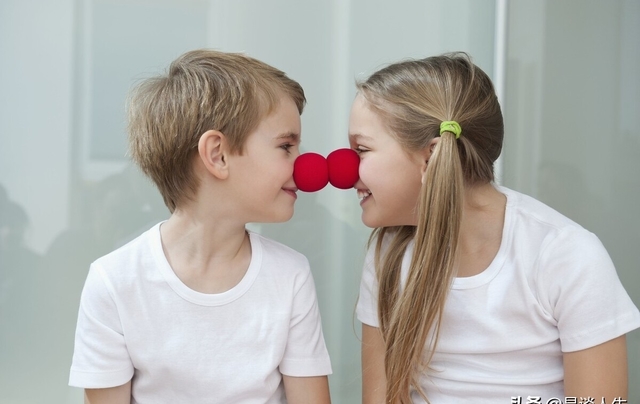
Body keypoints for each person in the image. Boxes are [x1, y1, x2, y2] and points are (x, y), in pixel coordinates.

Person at [350, 53, 640, 404]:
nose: (346, 169)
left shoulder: (566, 254)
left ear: (430, 155)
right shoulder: (389, 253)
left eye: (361, 149)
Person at [69, 49, 332, 404]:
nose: (304, 166)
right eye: (286, 146)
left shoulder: (291, 275)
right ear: (217, 155)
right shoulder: (114, 282)